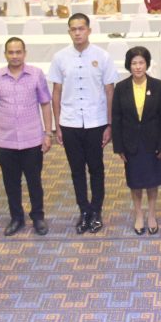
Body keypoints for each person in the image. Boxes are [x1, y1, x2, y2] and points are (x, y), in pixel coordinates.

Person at [49, 15, 119, 235]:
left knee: (96, 168)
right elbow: (56, 92)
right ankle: (84, 210)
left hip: (96, 121)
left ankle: (96, 210)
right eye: (73, 29)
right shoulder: (60, 57)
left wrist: (109, 124)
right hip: (70, 122)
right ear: (69, 32)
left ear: (89, 30)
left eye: (81, 28)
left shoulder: (102, 56)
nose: (77, 33)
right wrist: (58, 125)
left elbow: (110, 91)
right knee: (76, 170)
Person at [0, 37, 53, 236]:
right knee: (11, 183)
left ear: (25, 53)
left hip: (32, 139)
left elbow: (45, 104)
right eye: (11, 52)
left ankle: (38, 217)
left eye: (18, 52)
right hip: (5, 140)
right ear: (5, 54)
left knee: (34, 182)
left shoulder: (36, 74)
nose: (15, 56)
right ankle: (16, 218)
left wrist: (48, 133)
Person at [111, 46, 161, 235]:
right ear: (128, 65)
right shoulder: (121, 87)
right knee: (135, 182)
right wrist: (118, 146)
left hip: (153, 143)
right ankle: (139, 215)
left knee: (152, 181)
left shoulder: (158, 86)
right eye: (134, 63)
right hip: (131, 144)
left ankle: (151, 214)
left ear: (147, 64)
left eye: (141, 63)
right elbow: (116, 118)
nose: (138, 67)